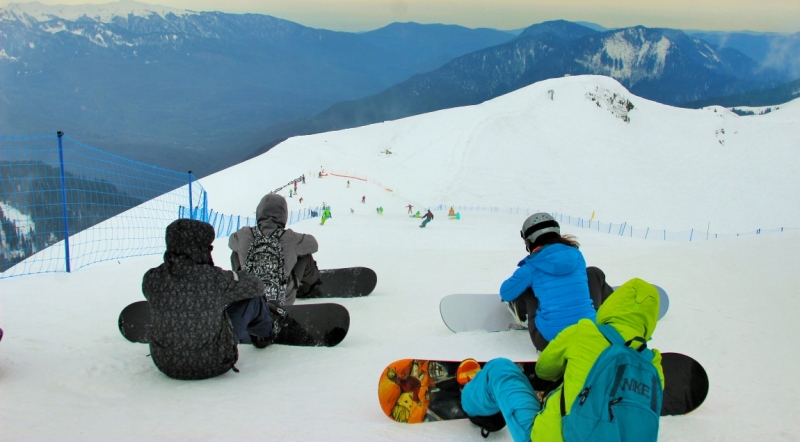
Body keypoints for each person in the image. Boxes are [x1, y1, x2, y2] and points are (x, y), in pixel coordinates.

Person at [461, 279, 663, 442]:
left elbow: (544, 370)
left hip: (550, 436)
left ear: (612, 305)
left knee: (500, 369)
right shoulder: (653, 365)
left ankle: (472, 404)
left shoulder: (585, 332)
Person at [142, 219, 287, 381]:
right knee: (252, 299)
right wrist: (236, 276)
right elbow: (257, 286)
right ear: (201, 248)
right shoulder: (216, 279)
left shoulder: (151, 279)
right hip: (216, 362)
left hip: (165, 364)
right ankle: (267, 333)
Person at [502, 213, 612, 352]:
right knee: (593, 272)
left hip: (550, 341)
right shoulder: (577, 255)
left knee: (528, 288)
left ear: (529, 241)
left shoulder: (531, 267)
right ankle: (609, 315)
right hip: (589, 333)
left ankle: (524, 317)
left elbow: (505, 292)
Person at [228, 194, 322, 306]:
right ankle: (309, 287)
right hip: (281, 300)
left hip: (248, 299)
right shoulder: (290, 237)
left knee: (235, 253)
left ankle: (241, 286)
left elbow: (231, 242)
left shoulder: (243, 234)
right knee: (305, 255)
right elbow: (314, 245)